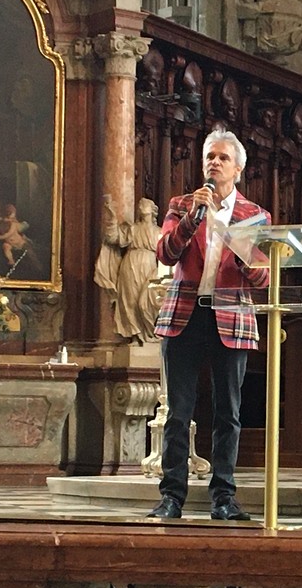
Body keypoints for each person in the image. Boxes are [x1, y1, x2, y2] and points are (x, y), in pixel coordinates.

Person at [148, 126, 271, 521]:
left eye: (222, 158)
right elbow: (165, 255)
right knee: (177, 411)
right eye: (209, 157)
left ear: (238, 169)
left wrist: (242, 250)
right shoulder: (181, 204)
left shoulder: (255, 215)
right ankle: (171, 497)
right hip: (184, 314)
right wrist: (189, 220)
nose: (214, 164)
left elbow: (264, 277)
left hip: (231, 315)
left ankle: (223, 497)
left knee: (227, 413)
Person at [94, 195, 163, 342]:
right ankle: (136, 337)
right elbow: (113, 238)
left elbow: (168, 252)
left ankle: (150, 334)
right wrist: (111, 215)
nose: (141, 206)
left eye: (144, 204)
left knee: (146, 302)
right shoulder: (132, 229)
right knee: (129, 301)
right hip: (130, 266)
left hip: (150, 266)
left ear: (152, 210)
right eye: (139, 205)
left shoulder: (159, 231)